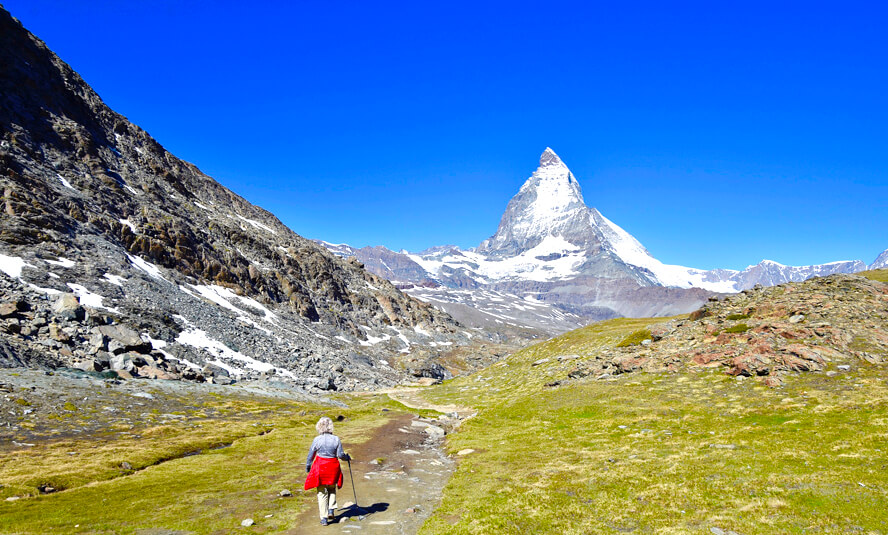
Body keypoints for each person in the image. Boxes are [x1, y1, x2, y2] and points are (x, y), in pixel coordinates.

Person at [304, 416, 351, 526]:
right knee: (332, 488)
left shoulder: (317, 439)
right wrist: (347, 458)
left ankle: (324, 518)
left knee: (321, 492)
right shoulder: (336, 439)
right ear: (330, 426)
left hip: (321, 467)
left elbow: (310, 456)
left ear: (319, 426)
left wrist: (307, 467)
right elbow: (340, 455)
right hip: (333, 467)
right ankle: (331, 509)